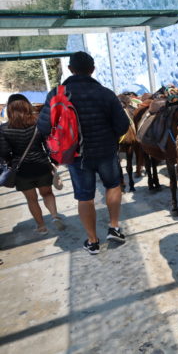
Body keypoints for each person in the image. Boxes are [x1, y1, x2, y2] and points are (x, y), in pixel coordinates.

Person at [38, 51, 130, 255]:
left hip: (76, 155)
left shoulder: (56, 94)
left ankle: (92, 240)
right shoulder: (105, 93)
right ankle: (114, 227)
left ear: (70, 69)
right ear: (93, 70)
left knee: (84, 197)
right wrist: (109, 136)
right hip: (106, 151)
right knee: (113, 186)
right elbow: (123, 125)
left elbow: (44, 127)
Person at [0, 94, 65, 234]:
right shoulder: (38, 123)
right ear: (27, 106)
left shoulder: (4, 129)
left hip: (22, 170)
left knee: (31, 199)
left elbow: (4, 152)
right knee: (47, 193)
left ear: (9, 109)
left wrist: (11, 162)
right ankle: (54, 216)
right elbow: (48, 144)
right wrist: (53, 161)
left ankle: (41, 226)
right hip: (42, 165)